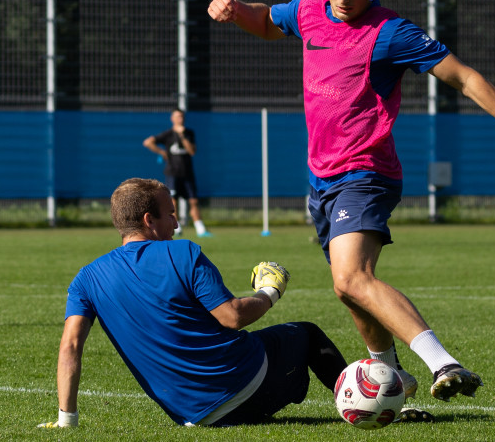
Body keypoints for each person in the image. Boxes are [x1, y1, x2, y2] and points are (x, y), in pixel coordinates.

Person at [208, 0, 495, 403]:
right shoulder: (309, 7)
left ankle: (443, 362)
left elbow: (464, 77)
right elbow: (267, 22)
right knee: (349, 289)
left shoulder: (391, 33)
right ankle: (391, 377)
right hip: (321, 179)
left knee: (351, 278)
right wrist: (237, 9)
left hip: (366, 172)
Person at [39, 177, 348, 428]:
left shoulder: (85, 279)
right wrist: (270, 292)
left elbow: (70, 347)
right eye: (171, 214)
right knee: (308, 334)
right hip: (245, 385)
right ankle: (361, 401)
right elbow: (233, 317)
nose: (176, 224)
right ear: (149, 220)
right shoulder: (183, 252)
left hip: (192, 415)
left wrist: (67, 420)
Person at [143, 108, 211, 237]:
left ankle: (200, 229)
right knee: (173, 202)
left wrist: (182, 136)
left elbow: (192, 151)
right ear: (172, 119)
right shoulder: (167, 134)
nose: (180, 119)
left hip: (187, 173)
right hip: (172, 173)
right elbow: (148, 142)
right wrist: (162, 152)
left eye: (182, 116)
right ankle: (177, 228)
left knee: (193, 201)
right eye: (178, 116)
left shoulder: (189, 133)